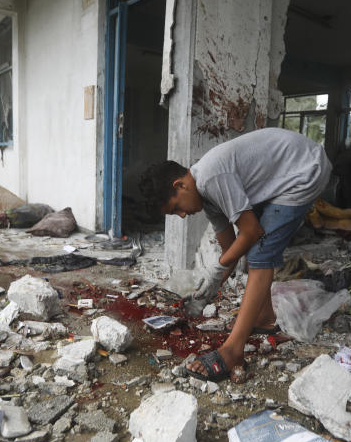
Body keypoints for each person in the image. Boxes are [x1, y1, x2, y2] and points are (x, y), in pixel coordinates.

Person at [139, 128, 331, 382]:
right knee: (254, 250)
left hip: (305, 168)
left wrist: (218, 268)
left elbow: (250, 231)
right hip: (289, 170)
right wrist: (207, 290)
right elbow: (230, 246)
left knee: (260, 253)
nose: (183, 215)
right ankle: (264, 319)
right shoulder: (206, 197)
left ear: (180, 185)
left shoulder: (210, 178)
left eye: (177, 208)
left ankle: (233, 350)